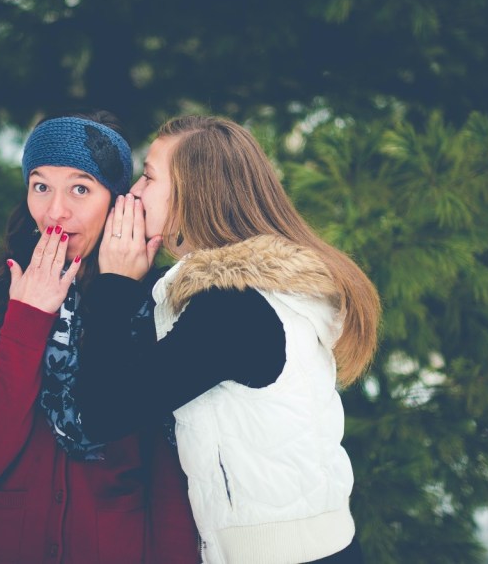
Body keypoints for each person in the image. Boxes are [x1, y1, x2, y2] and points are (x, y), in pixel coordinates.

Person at [74, 115, 381, 564]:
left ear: (193, 194)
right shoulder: (265, 291)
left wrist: (115, 284)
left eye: (149, 176)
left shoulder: (232, 310)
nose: (135, 192)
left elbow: (102, 413)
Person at [0, 113, 198, 564]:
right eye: (41, 186)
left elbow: (167, 472)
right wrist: (27, 317)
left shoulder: (154, 300)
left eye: (80, 188)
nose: (55, 211)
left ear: (117, 202)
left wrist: (116, 294)